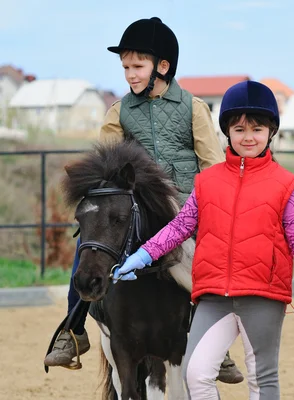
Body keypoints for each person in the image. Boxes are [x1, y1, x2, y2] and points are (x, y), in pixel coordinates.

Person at [44, 16, 244, 384]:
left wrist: (201, 206)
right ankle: (72, 331)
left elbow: (213, 165)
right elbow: (105, 163)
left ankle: (219, 344)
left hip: (183, 206)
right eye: (125, 67)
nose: (129, 74)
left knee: (208, 259)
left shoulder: (193, 108)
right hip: (135, 207)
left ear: (162, 67)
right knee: (90, 244)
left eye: (137, 66)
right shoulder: (119, 111)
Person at [113, 80, 294, 399]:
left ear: (270, 132)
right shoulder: (208, 181)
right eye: (239, 129)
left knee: (261, 378)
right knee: (196, 373)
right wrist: (143, 255)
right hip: (213, 296)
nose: (248, 136)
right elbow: (180, 227)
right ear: (228, 132)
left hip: (262, 295)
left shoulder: (284, 186)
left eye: (257, 128)